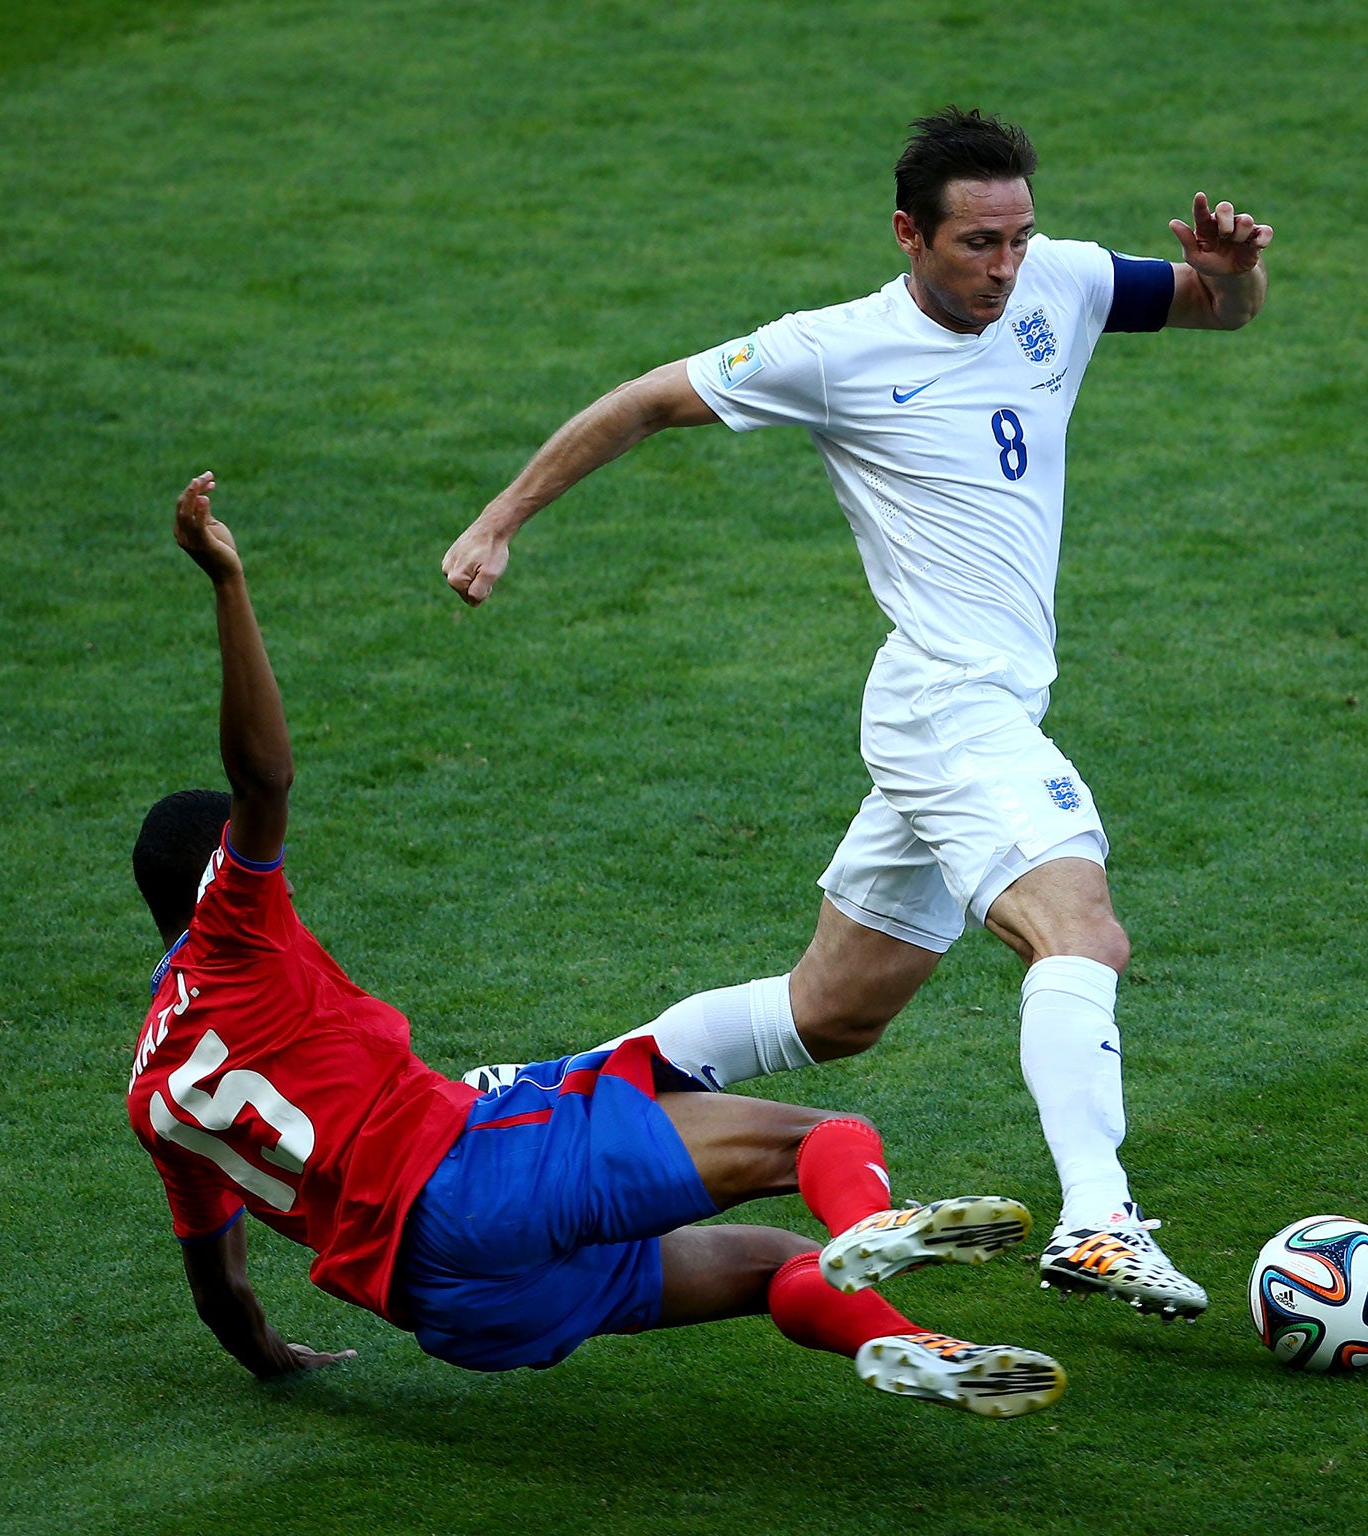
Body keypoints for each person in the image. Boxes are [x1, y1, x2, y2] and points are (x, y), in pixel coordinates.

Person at [440, 108, 1273, 1318]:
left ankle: (539, 1092)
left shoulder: (1061, 282)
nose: (1004, 268)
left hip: (968, 704)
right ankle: (1098, 1220)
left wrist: (1237, 274)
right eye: (976, 244)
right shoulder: (832, 351)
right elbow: (641, 401)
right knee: (1080, 932)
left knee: (830, 1012)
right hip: (948, 703)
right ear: (907, 235)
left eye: (1017, 237)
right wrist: (498, 521)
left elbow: (1214, 307)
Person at [127, 472, 1066, 1418]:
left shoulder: (152, 1093)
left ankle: (917, 1350)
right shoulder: (234, 930)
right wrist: (227, 585)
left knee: (771, 1264)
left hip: (449, 1306)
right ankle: (872, 1227)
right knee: (825, 1140)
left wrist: (275, 1359)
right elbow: (264, 775)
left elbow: (222, 1289)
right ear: (216, 878)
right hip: (479, 1182)